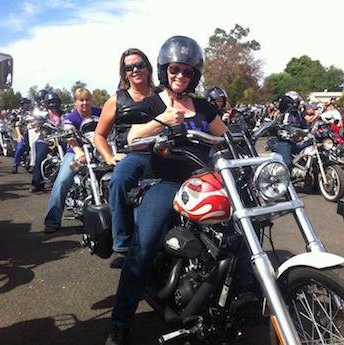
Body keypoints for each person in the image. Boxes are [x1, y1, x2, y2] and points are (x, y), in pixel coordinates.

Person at [106, 35, 228, 345]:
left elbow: (227, 137)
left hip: (205, 179)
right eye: (175, 70)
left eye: (187, 72)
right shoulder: (152, 102)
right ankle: (120, 321)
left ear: (195, 75)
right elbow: (131, 137)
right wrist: (161, 120)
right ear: (164, 70)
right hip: (164, 182)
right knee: (144, 245)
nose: (180, 77)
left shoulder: (202, 106)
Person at [94, 48, 155, 268]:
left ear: (148, 67)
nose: (135, 70)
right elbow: (99, 135)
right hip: (133, 154)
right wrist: (109, 156)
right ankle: (123, 244)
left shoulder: (162, 95)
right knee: (119, 181)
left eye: (139, 65)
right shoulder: (116, 100)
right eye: (129, 67)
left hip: (164, 152)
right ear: (124, 73)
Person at [43, 88, 101, 233]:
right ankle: (52, 220)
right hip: (77, 155)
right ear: (75, 102)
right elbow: (70, 136)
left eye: (87, 99)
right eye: (81, 100)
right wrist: (78, 151)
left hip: (99, 152)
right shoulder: (72, 117)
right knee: (63, 181)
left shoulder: (99, 113)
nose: (84, 103)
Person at [30, 92, 63, 192]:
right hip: (45, 139)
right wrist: (37, 125)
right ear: (47, 104)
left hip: (61, 139)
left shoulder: (65, 114)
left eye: (55, 102)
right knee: (40, 156)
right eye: (51, 102)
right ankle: (36, 183)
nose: (53, 104)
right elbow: (37, 123)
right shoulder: (44, 116)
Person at [12, 98, 32, 173]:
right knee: (20, 148)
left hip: (33, 133)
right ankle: (15, 165)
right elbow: (17, 126)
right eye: (23, 104)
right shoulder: (20, 115)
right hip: (24, 134)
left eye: (26, 104)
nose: (24, 105)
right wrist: (19, 135)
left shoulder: (33, 113)